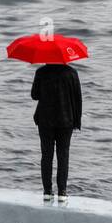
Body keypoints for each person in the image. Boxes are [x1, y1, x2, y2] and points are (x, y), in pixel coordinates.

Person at [31, 63, 82, 205]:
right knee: (63, 155)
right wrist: (77, 121)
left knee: (46, 155)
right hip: (66, 120)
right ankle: (62, 193)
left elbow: (34, 95)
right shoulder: (71, 73)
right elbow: (77, 99)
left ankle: (47, 192)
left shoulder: (41, 71)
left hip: (45, 120)